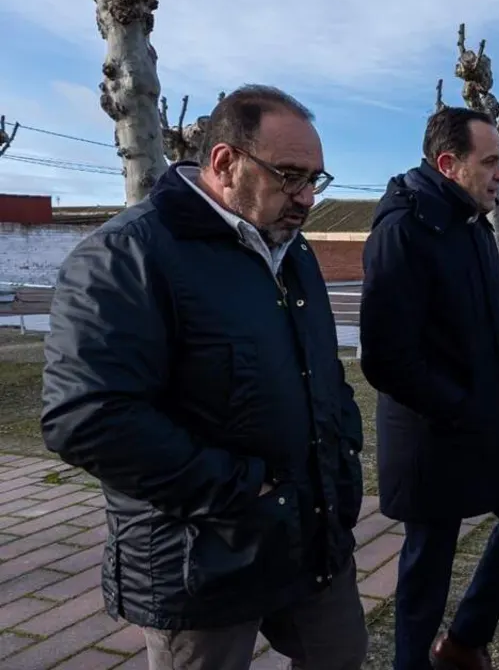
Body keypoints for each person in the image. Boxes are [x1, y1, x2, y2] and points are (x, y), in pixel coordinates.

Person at [41, 85, 368, 670]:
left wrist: (341, 459)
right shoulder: (127, 255)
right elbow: (86, 417)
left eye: (317, 178)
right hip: (201, 557)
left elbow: (322, 373)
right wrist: (240, 489)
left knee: (342, 655)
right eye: (290, 175)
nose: (307, 197)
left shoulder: (293, 253)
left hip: (312, 533)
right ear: (224, 163)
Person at [359, 106, 499, 670]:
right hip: (433, 432)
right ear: (449, 164)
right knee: (428, 564)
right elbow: (386, 359)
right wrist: (460, 405)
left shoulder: (472, 222)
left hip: (492, 415)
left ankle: (464, 641)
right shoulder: (402, 231)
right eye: (490, 161)